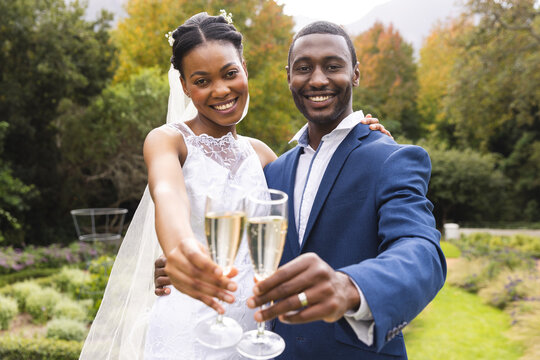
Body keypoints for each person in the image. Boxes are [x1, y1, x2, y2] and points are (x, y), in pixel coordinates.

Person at [80, 13, 388, 360]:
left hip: (256, 334)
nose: (221, 90)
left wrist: (362, 141)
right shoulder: (168, 141)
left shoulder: (265, 156)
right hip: (190, 327)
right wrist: (180, 251)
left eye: (229, 74)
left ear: (244, 68)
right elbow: (167, 195)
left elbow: (313, 208)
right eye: (201, 80)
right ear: (184, 86)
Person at [155, 20, 445, 360]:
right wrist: (180, 258)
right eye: (303, 68)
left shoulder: (391, 158)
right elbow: (240, 241)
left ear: (355, 74)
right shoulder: (272, 169)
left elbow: (421, 250)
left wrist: (351, 287)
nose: (318, 79)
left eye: (333, 66)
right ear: (288, 77)